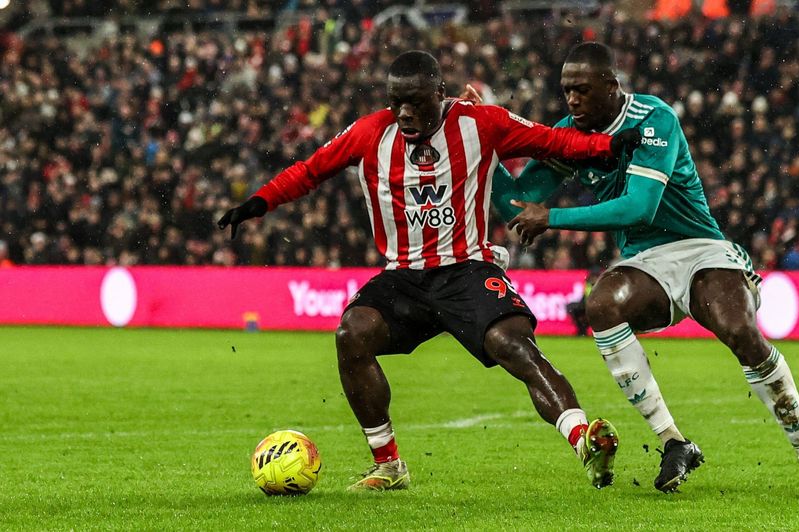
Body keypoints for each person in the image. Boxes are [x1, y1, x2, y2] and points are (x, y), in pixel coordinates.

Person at [218, 50, 641, 491]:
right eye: (396, 101)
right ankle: (388, 465)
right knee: (352, 334)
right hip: (404, 276)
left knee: (512, 344)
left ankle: (583, 441)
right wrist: (259, 202)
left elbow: (553, 142)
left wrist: (609, 144)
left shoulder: (481, 123)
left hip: (467, 269)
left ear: (441, 94)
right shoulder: (369, 133)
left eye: (417, 102)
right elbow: (310, 171)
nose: (405, 112)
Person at [495, 42, 799, 498]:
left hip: (701, 248)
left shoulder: (653, 118)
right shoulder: (567, 134)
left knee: (739, 330)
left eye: (582, 90)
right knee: (601, 305)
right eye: (565, 90)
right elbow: (517, 204)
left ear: (611, 87)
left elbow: (640, 205)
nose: (572, 100)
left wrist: (553, 219)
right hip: (643, 262)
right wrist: (481, 146)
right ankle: (674, 442)